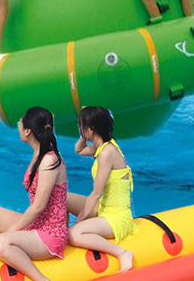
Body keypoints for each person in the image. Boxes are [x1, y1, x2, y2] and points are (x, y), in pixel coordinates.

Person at [0, 107, 68, 281]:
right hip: (36, 225)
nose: (18, 126)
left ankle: (40, 279)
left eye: (20, 123)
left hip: (49, 235)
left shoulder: (49, 160)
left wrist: (11, 232)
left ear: (28, 131)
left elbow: (38, 207)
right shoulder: (39, 153)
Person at [67, 107, 136, 273]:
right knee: (64, 198)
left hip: (117, 217)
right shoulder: (101, 147)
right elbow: (79, 149)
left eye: (81, 125)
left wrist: (77, 222)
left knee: (74, 234)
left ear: (91, 129)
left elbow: (96, 194)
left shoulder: (107, 153)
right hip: (104, 209)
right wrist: (84, 135)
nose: (79, 128)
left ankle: (122, 253)